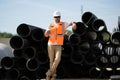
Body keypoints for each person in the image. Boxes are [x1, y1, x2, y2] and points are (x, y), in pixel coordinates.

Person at [44, 11, 76, 80]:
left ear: (60, 17)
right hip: (50, 45)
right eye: (55, 17)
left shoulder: (63, 24)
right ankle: (53, 76)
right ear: (53, 17)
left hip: (58, 45)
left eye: (58, 17)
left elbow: (71, 23)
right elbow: (46, 35)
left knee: (58, 59)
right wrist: (47, 32)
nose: (56, 18)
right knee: (51, 61)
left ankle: (48, 73)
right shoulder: (50, 25)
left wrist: (73, 24)